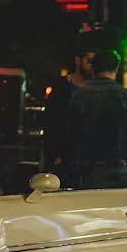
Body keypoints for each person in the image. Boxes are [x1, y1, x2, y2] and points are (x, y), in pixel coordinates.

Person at [67, 48, 127, 193]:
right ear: (116, 67)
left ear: (94, 68)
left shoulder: (80, 96)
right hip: (123, 166)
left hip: (92, 168)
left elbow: (73, 133)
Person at [41, 44, 94, 185]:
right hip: (65, 157)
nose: (91, 66)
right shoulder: (62, 87)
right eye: (88, 61)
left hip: (88, 158)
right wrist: (54, 153)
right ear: (78, 61)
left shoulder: (96, 89)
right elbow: (51, 121)